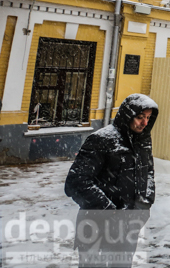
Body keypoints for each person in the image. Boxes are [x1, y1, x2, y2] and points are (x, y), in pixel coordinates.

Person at [65, 94, 159, 267]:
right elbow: (76, 182)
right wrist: (110, 211)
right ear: (128, 115)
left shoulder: (142, 141)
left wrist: (145, 206)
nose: (144, 123)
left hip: (127, 228)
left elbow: (148, 175)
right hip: (95, 226)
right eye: (140, 117)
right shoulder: (102, 140)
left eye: (147, 118)